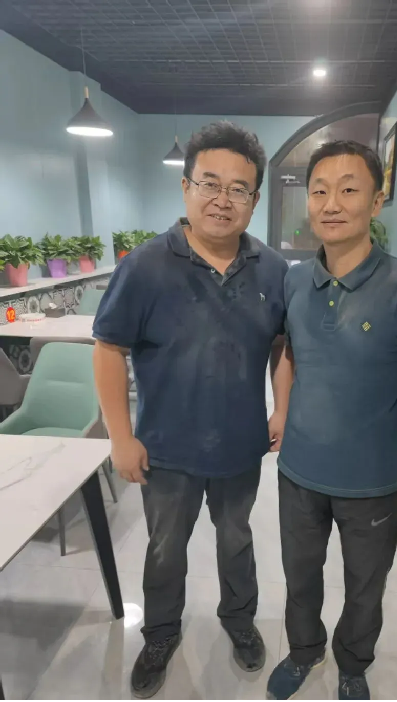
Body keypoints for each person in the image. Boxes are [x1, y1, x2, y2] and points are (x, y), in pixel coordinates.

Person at [93, 121, 293, 700]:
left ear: (255, 200)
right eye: (209, 183)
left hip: (239, 445)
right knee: (164, 549)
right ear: (186, 187)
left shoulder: (273, 270)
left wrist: (281, 408)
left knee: (236, 540)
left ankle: (239, 620)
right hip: (166, 448)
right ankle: (160, 634)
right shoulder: (145, 265)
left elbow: (283, 345)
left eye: (238, 189)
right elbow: (108, 349)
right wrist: (120, 437)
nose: (222, 199)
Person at [267, 141, 397, 701]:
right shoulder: (294, 279)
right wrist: (282, 410)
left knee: (365, 585)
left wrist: (369, 409)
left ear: (375, 201)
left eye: (348, 189)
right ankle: (303, 651)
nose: (331, 203)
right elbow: (288, 352)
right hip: (299, 470)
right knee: (300, 576)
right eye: (319, 190)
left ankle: (352, 663)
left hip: (370, 477)